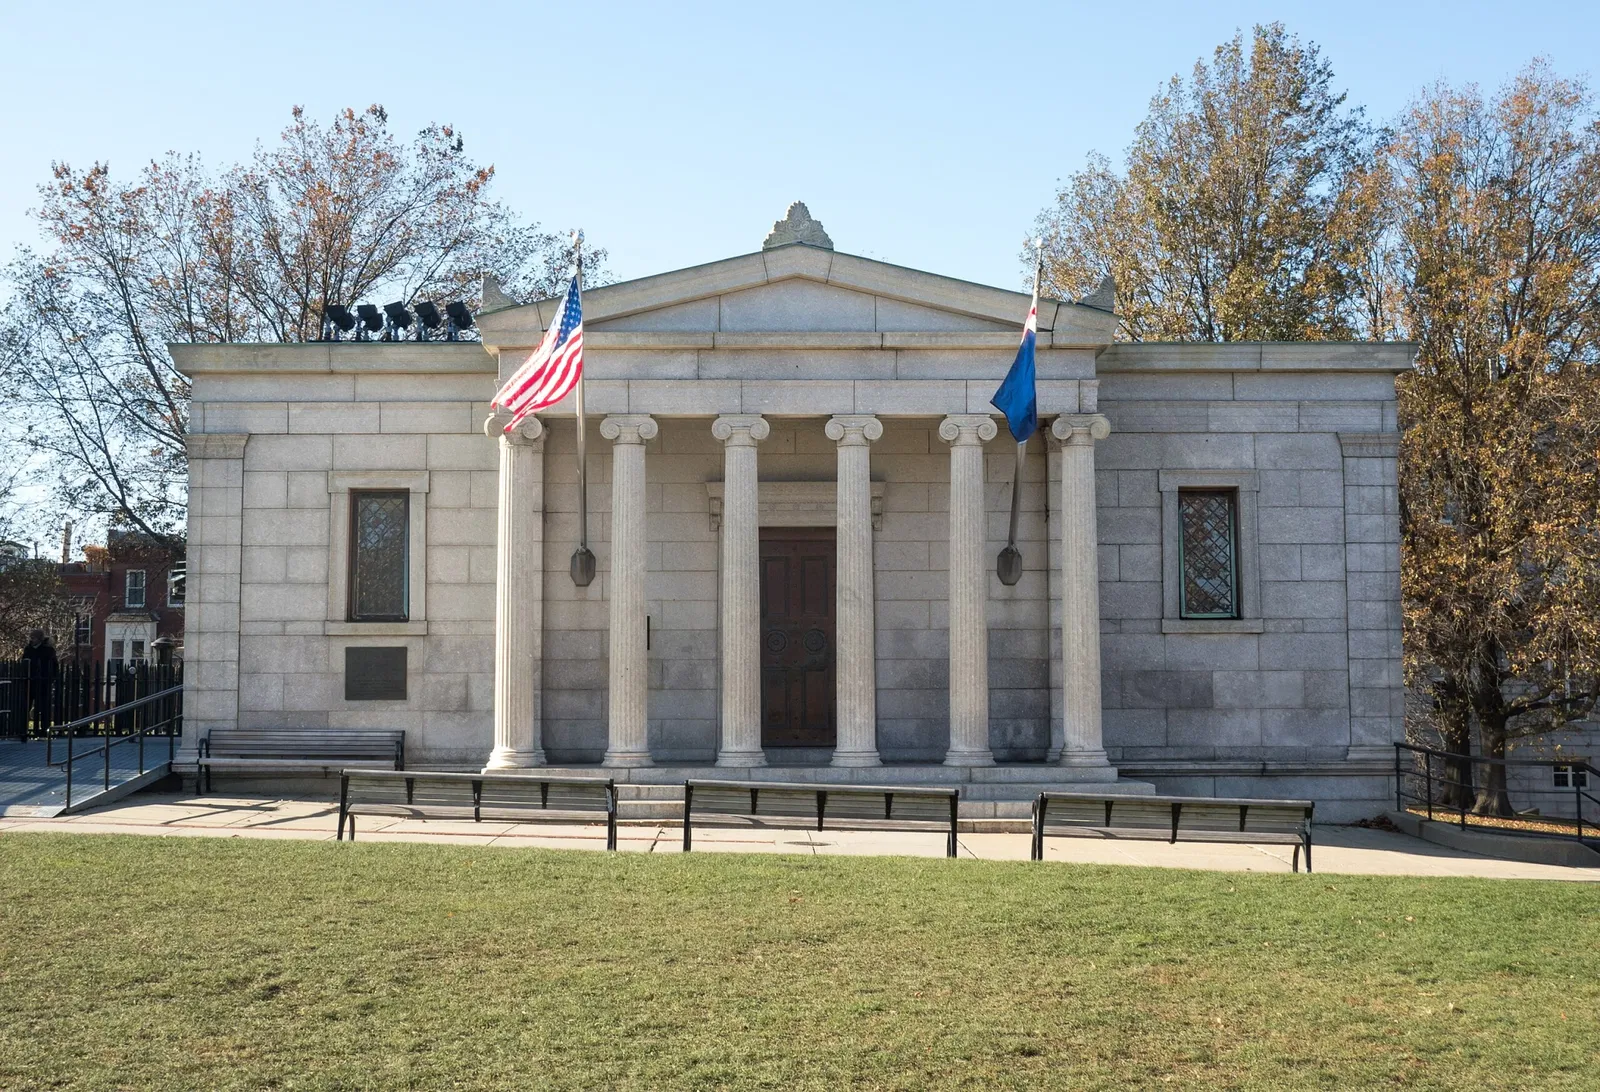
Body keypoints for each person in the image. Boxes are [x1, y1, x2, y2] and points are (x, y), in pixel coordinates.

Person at [21, 628, 57, 730]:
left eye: (34, 638)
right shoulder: (28, 649)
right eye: (31, 637)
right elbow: (24, 663)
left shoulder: (48, 650)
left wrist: (51, 678)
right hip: (30, 681)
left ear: (40, 639)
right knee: (26, 706)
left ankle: (44, 729)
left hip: (43, 682)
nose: (32, 639)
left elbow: (54, 665)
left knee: (44, 707)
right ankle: (23, 729)